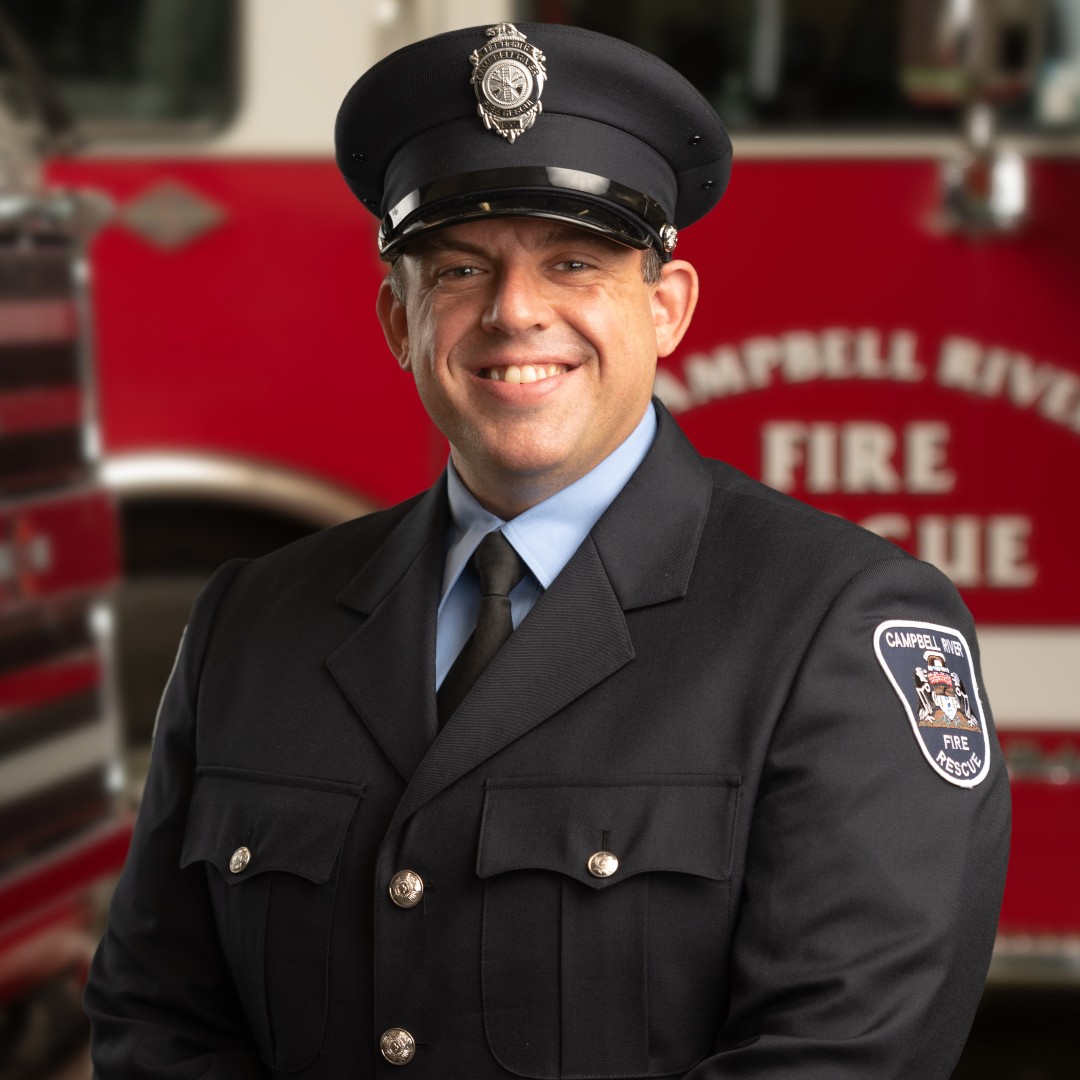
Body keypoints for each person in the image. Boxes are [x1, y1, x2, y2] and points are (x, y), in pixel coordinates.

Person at [85, 22, 1010, 1079]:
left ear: (667, 309)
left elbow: (842, 1053)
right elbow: (157, 1016)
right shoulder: (248, 624)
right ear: (399, 320)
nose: (515, 313)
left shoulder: (834, 622)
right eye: (462, 268)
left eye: (575, 263)